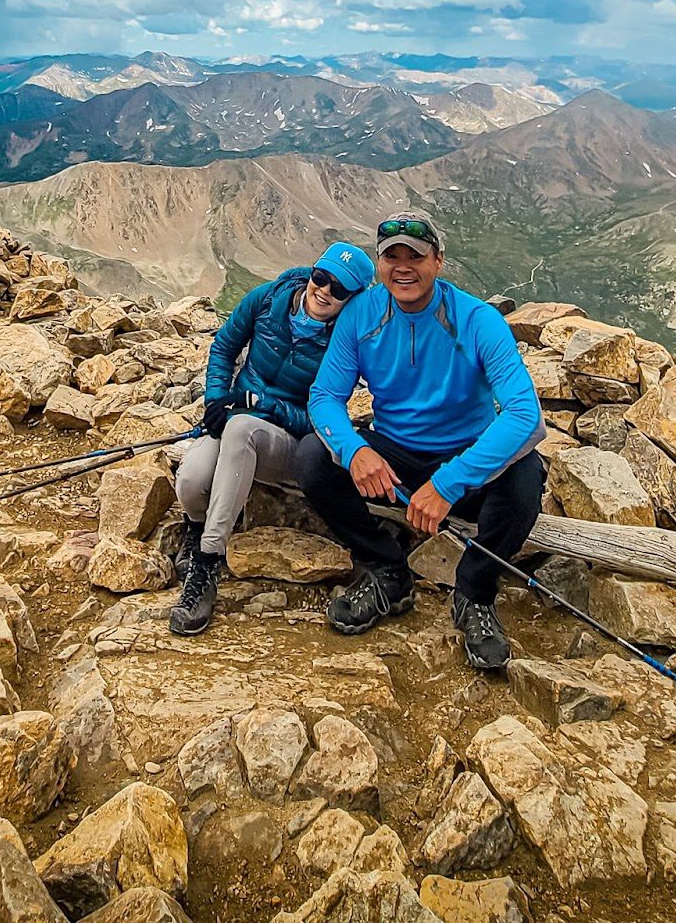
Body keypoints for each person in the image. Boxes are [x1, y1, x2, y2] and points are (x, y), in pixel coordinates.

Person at [298, 211, 546, 671]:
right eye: (392, 257)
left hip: (463, 456)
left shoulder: (478, 320)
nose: (403, 266)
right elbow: (325, 396)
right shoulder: (361, 315)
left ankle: (475, 591)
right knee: (314, 456)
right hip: (395, 456)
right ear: (379, 264)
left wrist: (450, 482)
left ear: (439, 261)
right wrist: (357, 451)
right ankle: (386, 569)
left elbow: (525, 417)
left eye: (416, 255)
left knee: (525, 476)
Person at [170, 240, 376, 636]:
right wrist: (215, 399)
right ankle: (195, 528)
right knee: (192, 482)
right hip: (232, 416)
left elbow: (319, 417)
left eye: (340, 289)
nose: (325, 291)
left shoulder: (345, 343)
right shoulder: (269, 298)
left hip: (282, 440)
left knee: (243, 429)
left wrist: (266, 404)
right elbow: (225, 347)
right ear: (311, 272)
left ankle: (207, 562)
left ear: (353, 298)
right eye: (322, 277)